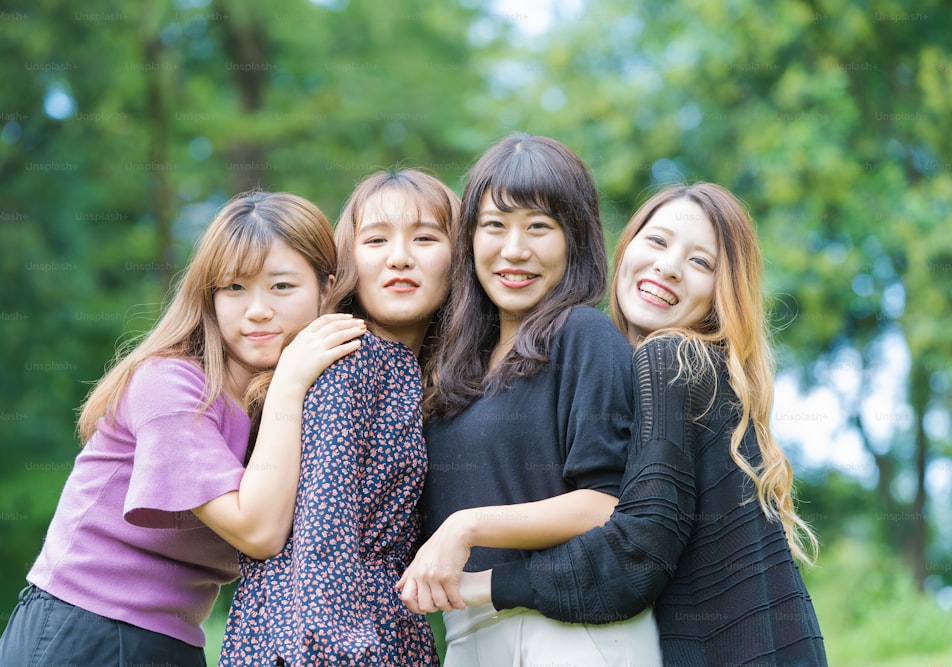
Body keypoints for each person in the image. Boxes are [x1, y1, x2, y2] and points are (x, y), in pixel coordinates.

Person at [0, 191, 367, 666]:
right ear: (208, 296)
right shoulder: (169, 384)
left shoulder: (301, 397)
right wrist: (292, 380)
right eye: (234, 288)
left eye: (282, 286)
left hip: (173, 640)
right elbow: (258, 533)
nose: (257, 310)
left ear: (325, 289)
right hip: (86, 627)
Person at [460, 182, 828, 665]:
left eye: (701, 262)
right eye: (656, 241)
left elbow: (636, 553)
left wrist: (478, 584)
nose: (669, 266)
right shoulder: (672, 371)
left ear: (724, 293)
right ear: (626, 246)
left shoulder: (671, 359)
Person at [397, 134, 662, 666]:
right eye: (494, 225)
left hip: (569, 633)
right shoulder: (453, 363)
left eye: (538, 227)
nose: (514, 250)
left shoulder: (583, 336)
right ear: (469, 238)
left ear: (574, 240)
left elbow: (603, 505)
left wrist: (466, 527)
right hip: (469, 632)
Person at [218, 169, 459, 666]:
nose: (399, 257)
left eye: (425, 237)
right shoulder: (347, 358)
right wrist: (341, 648)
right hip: (328, 635)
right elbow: (324, 533)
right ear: (347, 261)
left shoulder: (414, 373)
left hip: (377, 623)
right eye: (376, 239)